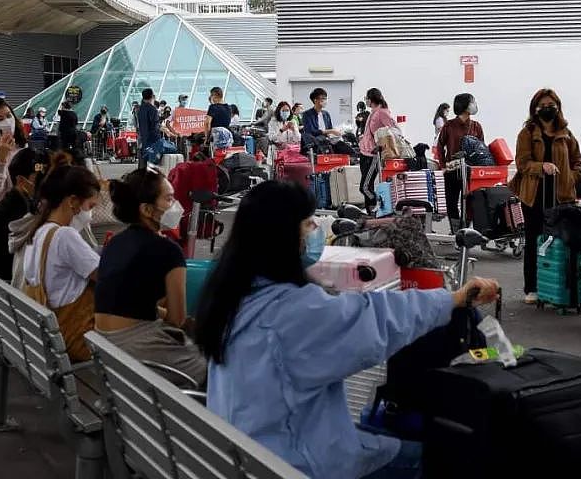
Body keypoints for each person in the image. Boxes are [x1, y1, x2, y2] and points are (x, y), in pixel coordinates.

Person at [195, 181, 500, 479]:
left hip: (250, 451)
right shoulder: (292, 313)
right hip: (297, 460)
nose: (315, 232)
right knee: (438, 456)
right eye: (308, 225)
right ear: (284, 236)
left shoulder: (233, 297)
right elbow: (378, 319)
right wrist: (454, 299)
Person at [96, 169, 207, 386]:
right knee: (211, 369)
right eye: (168, 198)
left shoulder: (115, 243)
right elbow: (177, 319)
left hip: (105, 344)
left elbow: (125, 301)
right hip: (138, 348)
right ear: (147, 209)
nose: (175, 204)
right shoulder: (168, 250)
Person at [9, 155, 101, 361]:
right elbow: (106, 277)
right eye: (91, 206)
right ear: (73, 202)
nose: (90, 214)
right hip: (74, 339)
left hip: (45, 334)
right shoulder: (64, 236)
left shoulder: (39, 231)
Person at [510, 90, 581, 305]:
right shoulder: (527, 133)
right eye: (542, 104)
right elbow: (522, 163)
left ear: (558, 107)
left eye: (551, 103)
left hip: (562, 195)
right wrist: (543, 167)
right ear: (535, 108)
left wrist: (571, 177)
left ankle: (558, 287)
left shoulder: (566, 134)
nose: (547, 107)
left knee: (561, 240)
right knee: (535, 240)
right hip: (534, 196)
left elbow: (577, 161)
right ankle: (532, 288)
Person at [0, 148, 48, 282]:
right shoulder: (20, 213)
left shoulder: (11, 202)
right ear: (20, 180)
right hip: (2, 284)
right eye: (37, 179)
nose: (42, 184)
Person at [436, 93, 484, 231]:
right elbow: (440, 146)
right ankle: (455, 231)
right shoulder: (449, 126)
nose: (474, 104)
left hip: (470, 172)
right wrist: (443, 166)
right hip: (452, 170)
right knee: (451, 202)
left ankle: (466, 230)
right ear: (463, 105)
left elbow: (482, 148)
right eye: (472, 102)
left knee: (469, 202)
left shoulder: (476, 126)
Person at [358, 89, 396, 209]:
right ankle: (370, 213)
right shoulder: (372, 112)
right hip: (364, 153)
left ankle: (378, 205)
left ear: (372, 99)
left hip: (373, 155)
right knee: (367, 186)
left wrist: (381, 145)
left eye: (367, 98)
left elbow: (394, 130)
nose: (366, 101)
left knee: (364, 187)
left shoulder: (382, 112)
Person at [301, 88, 342, 153]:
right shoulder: (307, 114)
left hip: (326, 141)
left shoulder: (326, 114)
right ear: (315, 100)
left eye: (325, 98)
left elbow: (329, 129)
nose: (325, 101)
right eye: (323, 98)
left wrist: (334, 133)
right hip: (315, 144)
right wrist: (331, 131)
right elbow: (311, 132)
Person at [136, 88, 161, 170]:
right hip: (152, 140)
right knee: (152, 165)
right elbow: (155, 127)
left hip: (142, 138)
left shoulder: (140, 109)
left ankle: (140, 180)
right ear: (152, 96)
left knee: (142, 163)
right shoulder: (153, 110)